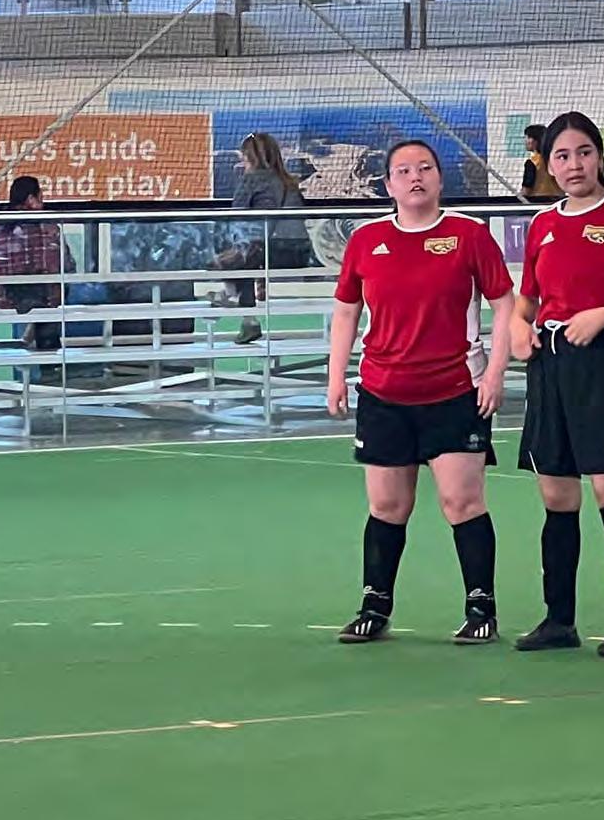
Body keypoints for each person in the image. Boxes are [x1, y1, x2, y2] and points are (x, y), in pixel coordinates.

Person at [326, 140, 515, 645]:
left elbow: (504, 302)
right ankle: (374, 607)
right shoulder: (367, 240)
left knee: (461, 502)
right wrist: (336, 373)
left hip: (455, 392)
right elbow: (346, 310)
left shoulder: (469, 235)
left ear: (439, 178)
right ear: (388, 184)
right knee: (387, 506)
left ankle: (481, 609)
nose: (416, 177)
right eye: (404, 171)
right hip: (384, 394)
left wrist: (495, 373)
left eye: (425, 168)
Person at [510, 112, 604, 658]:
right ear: (548, 166)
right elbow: (527, 298)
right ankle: (559, 620)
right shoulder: (542, 225)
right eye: (562, 156)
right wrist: (517, 326)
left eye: (583, 153)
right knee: (556, 493)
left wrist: (603, 316)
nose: (574, 165)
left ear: (599, 157)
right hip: (551, 364)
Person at [219, 132, 314, 345]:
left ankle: (240, 309)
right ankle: (230, 296)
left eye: (244, 156)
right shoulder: (290, 183)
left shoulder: (251, 180)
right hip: (299, 252)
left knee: (232, 259)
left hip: (268, 252)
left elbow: (237, 215)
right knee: (247, 257)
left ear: (249, 157)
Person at [0, 177, 63, 354]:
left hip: (6, 298)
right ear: (31, 199)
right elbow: (62, 265)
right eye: (41, 198)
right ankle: (50, 358)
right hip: (45, 297)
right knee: (75, 291)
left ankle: (30, 341)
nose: (43, 204)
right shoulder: (45, 226)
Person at [520, 125, 560, 202]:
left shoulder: (532, 162)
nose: (525, 141)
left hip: (537, 202)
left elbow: (527, 188)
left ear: (533, 140)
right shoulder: (556, 159)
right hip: (558, 201)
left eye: (526, 138)